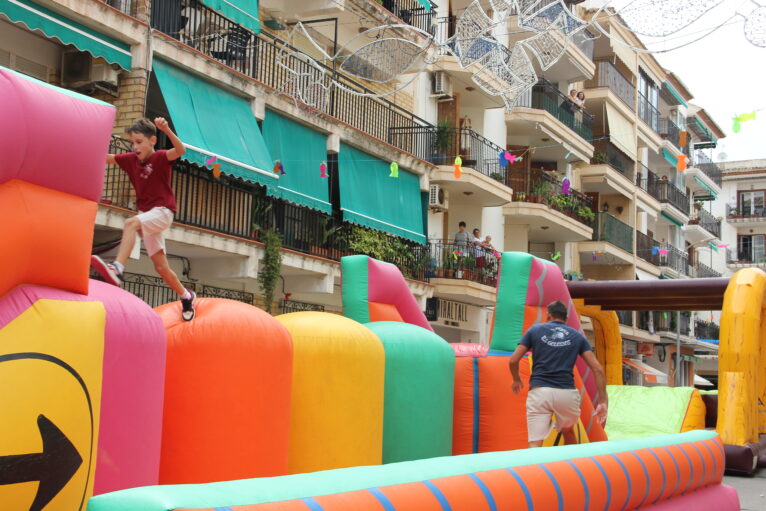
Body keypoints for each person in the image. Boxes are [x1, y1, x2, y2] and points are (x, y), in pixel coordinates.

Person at [91, 117, 197, 321]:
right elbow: (109, 158)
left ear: (152, 141)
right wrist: (86, 150)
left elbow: (181, 150)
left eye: (139, 142)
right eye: (132, 142)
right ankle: (186, 296)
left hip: (163, 211)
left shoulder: (160, 158)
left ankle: (118, 267)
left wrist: (166, 129)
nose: (135, 146)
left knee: (131, 223)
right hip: (147, 215)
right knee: (160, 267)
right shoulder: (130, 160)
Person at [508, 301, 607, 448]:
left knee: (535, 441)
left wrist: (516, 379)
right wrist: (603, 401)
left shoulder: (535, 331)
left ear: (548, 315)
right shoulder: (577, 336)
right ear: (566, 318)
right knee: (568, 432)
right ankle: (572, 467)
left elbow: (513, 360)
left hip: (540, 391)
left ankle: (534, 470)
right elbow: (597, 369)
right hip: (566, 392)